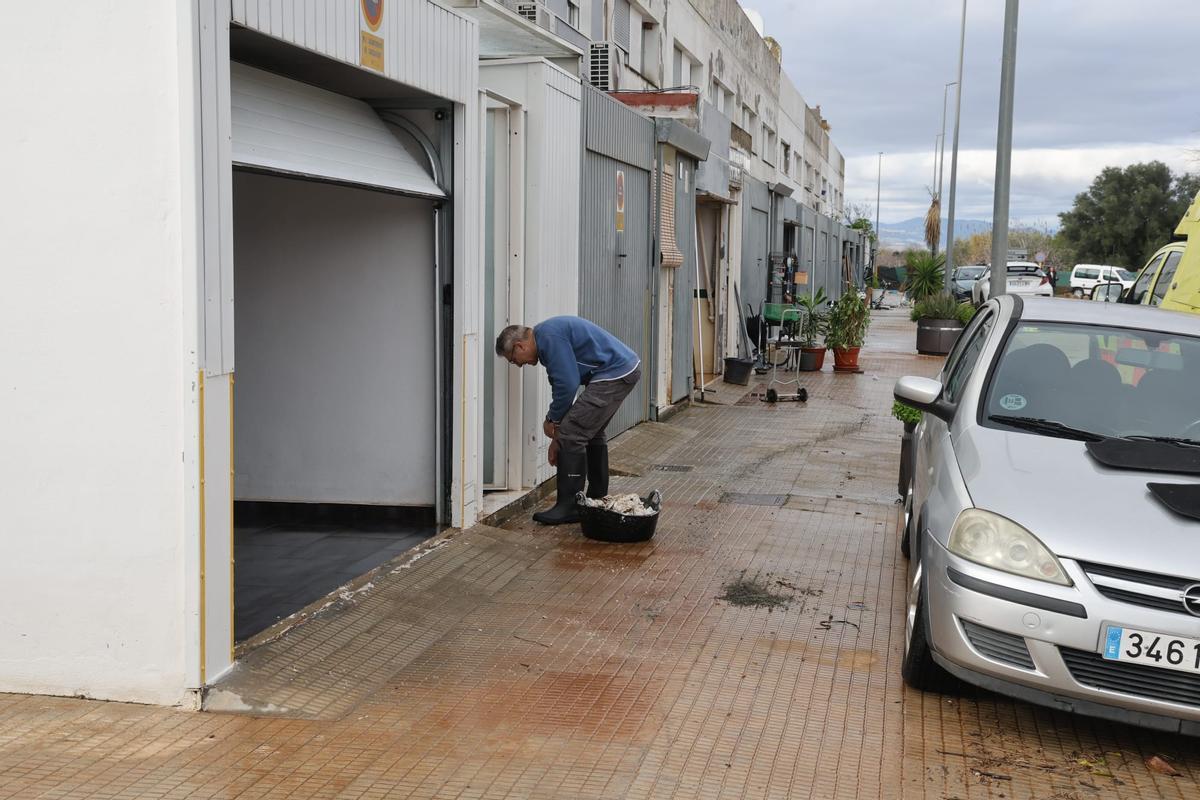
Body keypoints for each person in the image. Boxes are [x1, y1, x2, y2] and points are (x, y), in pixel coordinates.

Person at [495, 317, 641, 525]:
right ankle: (596, 498)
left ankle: (570, 507)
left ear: (520, 345)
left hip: (615, 373)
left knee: (573, 433)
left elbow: (567, 384)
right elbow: (561, 385)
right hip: (620, 370)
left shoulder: (547, 338)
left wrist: (551, 420)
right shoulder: (546, 338)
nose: (517, 365)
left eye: (513, 359)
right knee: (589, 431)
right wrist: (557, 433)